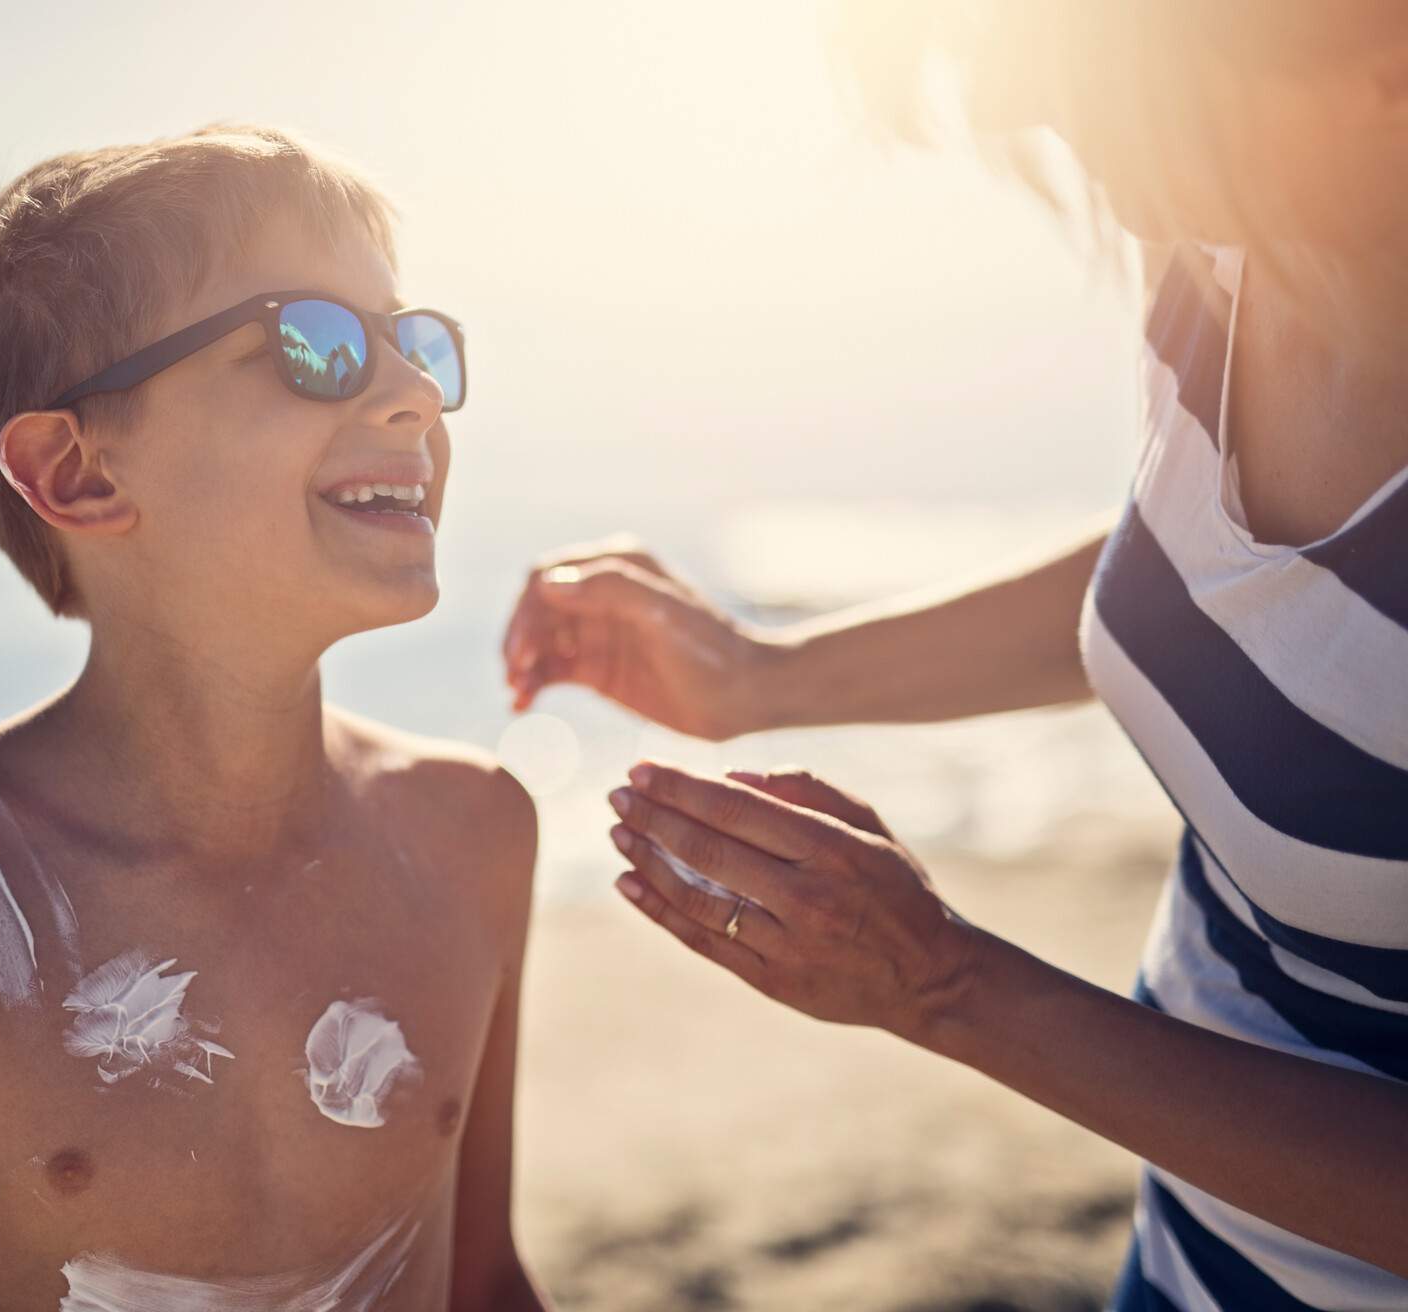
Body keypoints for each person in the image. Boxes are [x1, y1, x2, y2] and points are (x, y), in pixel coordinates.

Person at [503, 3, 1408, 1307]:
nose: (1020, 119)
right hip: (1188, 1261)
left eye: (1123, 72)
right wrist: (765, 679)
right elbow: (1247, 596)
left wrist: (947, 987)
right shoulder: (1227, 259)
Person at [0, 124, 548, 1311]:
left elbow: (482, 1278)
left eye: (414, 340)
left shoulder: (474, 830)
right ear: (79, 475)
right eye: (313, 344)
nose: (418, 393)